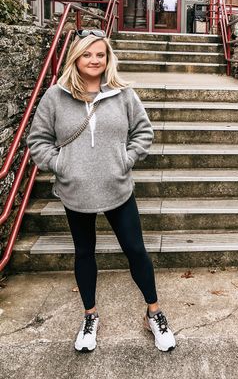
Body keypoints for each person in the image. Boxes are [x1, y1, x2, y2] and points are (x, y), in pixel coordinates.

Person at [27, 28, 176, 353]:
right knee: (84, 253)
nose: (94, 60)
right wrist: (61, 164)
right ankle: (90, 316)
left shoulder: (123, 94)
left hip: (117, 187)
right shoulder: (55, 96)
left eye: (100, 54)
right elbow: (37, 141)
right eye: (87, 54)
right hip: (75, 190)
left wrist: (126, 159)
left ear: (108, 58)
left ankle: (154, 312)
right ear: (76, 58)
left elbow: (143, 131)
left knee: (136, 251)